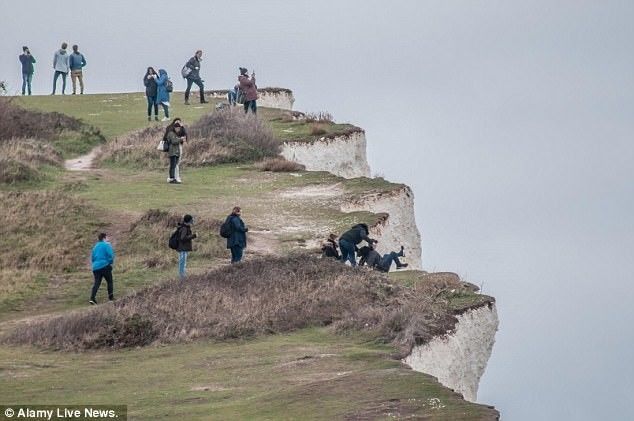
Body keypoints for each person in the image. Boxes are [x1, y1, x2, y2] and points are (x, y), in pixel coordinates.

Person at [89, 233, 115, 305]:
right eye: (107, 237)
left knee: (97, 283)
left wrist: (95, 264)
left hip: (96, 267)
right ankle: (111, 298)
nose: (108, 238)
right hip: (105, 265)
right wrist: (110, 262)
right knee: (109, 281)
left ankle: (92, 298)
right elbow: (111, 255)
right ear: (104, 238)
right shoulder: (107, 245)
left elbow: (92, 258)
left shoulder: (95, 246)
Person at [165, 118, 186, 183]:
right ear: (174, 128)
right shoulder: (171, 133)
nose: (178, 130)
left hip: (176, 151)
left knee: (175, 165)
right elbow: (173, 141)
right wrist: (180, 139)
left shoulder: (175, 133)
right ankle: (172, 178)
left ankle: (174, 178)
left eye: (179, 128)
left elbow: (183, 134)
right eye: (177, 128)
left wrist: (182, 127)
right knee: (173, 165)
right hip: (172, 151)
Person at [176, 214, 197, 279]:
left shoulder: (184, 227)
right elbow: (183, 238)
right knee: (182, 263)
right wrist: (193, 236)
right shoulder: (185, 228)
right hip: (183, 248)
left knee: (182, 262)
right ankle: (182, 277)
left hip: (183, 248)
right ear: (189, 221)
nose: (192, 221)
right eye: (191, 220)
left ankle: (182, 276)